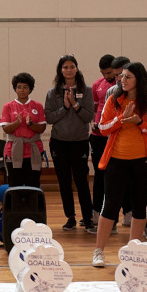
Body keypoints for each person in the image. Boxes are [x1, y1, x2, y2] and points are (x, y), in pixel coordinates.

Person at [92, 62, 147, 267]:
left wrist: (140, 123)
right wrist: (121, 119)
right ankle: (99, 251)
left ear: (138, 80)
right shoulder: (114, 100)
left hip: (143, 163)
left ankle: (134, 251)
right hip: (116, 161)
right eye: (121, 76)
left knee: (140, 206)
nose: (122, 80)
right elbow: (103, 128)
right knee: (110, 206)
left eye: (127, 77)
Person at [45, 55, 94, 232]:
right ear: (60, 70)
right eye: (65, 67)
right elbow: (49, 117)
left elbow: (88, 116)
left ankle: (88, 219)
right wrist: (64, 108)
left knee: (81, 181)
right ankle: (70, 218)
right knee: (64, 181)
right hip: (59, 143)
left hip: (80, 142)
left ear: (76, 68)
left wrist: (74, 105)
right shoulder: (53, 93)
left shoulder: (86, 91)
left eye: (71, 66)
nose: (68, 70)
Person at [88, 55, 128, 234]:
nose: (110, 77)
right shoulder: (99, 86)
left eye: (112, 73)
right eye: (105, 74)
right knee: (103, 176)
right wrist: (95, 124)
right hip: (101, 134)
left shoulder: (129, 87)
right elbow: (97, 110)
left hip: (123, 136)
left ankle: (130, 214)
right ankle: (103, 216)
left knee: (125, 178)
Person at [0, 73, 46, 188]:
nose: (22, 90)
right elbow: (6, 129)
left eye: (25, 87)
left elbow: (41, 128)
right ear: (15, 88)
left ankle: (32, 206)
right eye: (19, 87)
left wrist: (30, 124)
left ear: (30, 89)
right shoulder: (8, 106)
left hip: (33, 150)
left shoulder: (37, 106)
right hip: (13, 151)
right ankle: (14, 206)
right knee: (15, 184)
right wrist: (17, 123)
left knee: (33, 184)